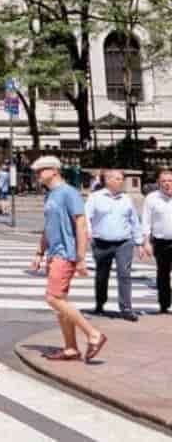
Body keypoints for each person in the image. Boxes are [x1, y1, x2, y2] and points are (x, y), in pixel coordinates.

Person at [30, 155, 107, 362]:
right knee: (60, 300)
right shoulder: (50, 195)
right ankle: (71, 347)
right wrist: (40, 252)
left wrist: (81, 257)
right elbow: (48, 227)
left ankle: (93, 334)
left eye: (41, 170)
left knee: (52, 298)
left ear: (54, 170)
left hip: (66, 253)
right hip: (54, 253)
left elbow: (81, 225)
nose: (37, 174)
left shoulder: (68, 193)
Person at [84, 168, 142, 321]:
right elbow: (86, 217)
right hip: (101, 242)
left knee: (124, 274)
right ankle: (100, 304)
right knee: (102, 275)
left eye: (121, 179)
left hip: (124, 242)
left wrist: (139, 242)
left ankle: (126, 308)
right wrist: (88, 233)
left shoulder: (126, 198)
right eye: (117, 178)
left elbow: (134, 220)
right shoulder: (95, 197)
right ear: (107, 180)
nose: (120, 181)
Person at [141, 168, 172, 314]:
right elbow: (146, 222)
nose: (167, 184)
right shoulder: (151, 198)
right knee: (163, 274)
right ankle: (164, 304)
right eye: (164, 181)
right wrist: (146, 242)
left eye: (170, 180)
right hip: (161, 242)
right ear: (159, 182)